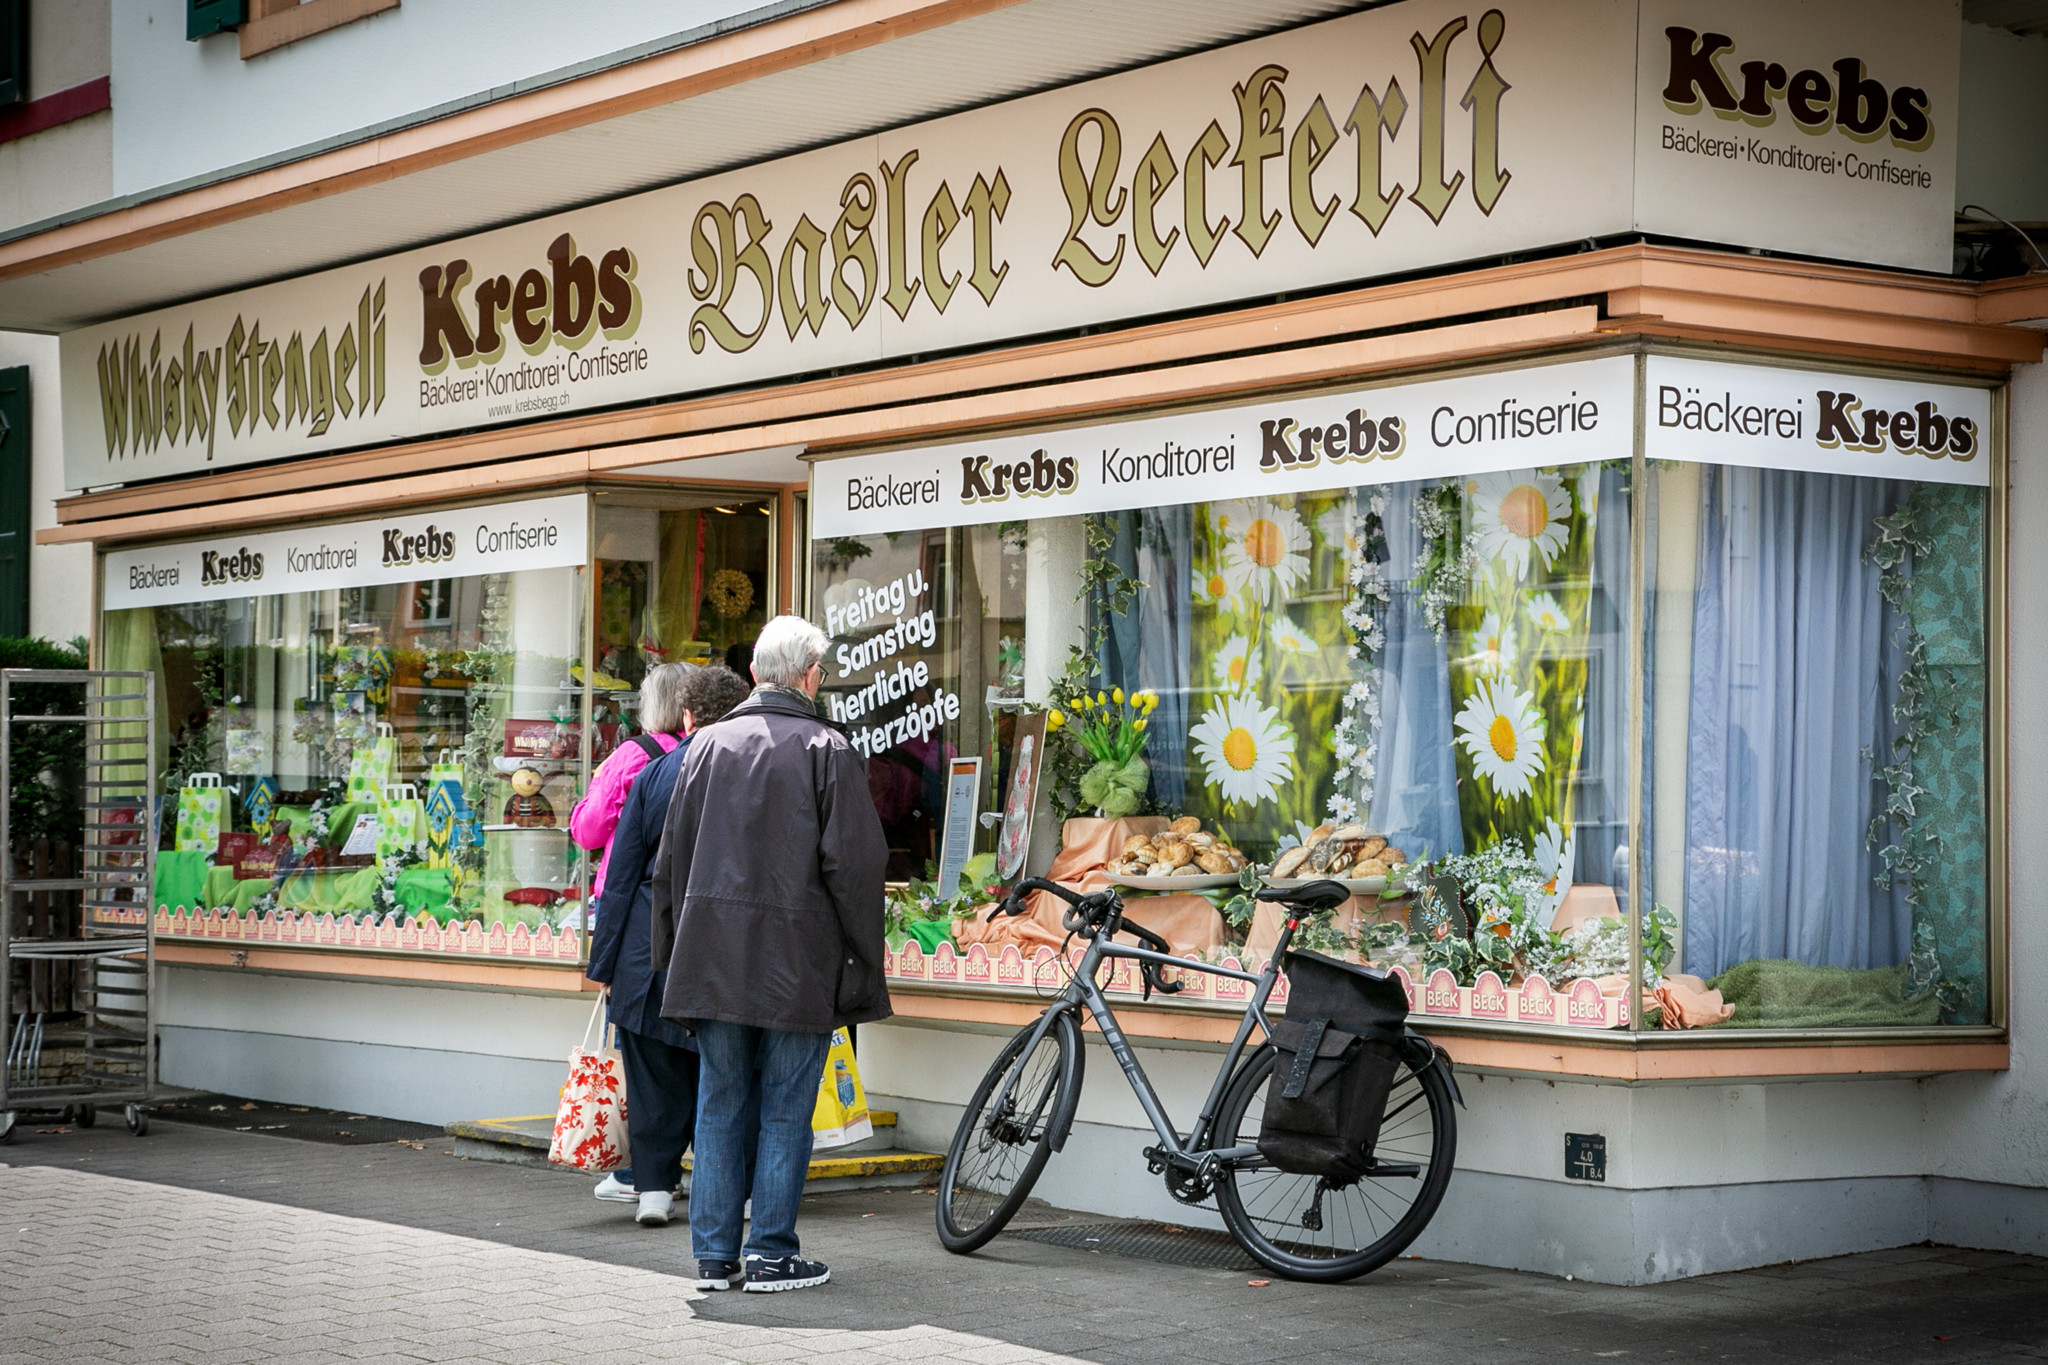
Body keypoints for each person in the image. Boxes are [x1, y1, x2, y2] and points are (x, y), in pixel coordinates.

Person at [651, 615, 890, 1293]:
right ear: (810, 675)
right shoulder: (828, 748)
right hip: (797, 962)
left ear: (756, 673)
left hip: (713, 959)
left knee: (720, 1101)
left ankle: (715, 1255)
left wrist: (672, 956)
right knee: (787, 1105)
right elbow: (856, 867)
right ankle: (772, 1251)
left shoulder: (701, 748)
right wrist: (861, 962)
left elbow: (670, 866)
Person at [584, 666, 752, 1226]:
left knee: (652, 1072)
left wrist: (604, 962)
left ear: (687, 716)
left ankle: (654, 1188)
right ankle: (731, 1188)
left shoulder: (657, 775)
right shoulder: (755, 771)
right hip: (726, 951)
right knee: (724, 1075)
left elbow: (621, 872)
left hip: (646, 949)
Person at [570, 661, 693, 1204]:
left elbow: (590, 829)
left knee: (642, 1052)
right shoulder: (706, 757)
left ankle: (643, 1176)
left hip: (638, 915)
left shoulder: (634, 756)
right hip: (694, 923)